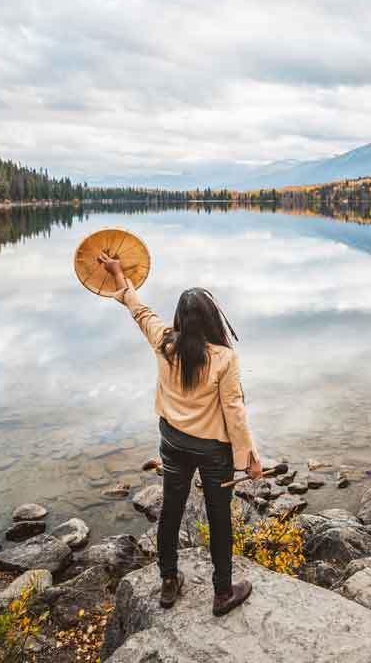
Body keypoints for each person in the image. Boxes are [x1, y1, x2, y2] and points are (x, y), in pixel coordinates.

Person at [99, 251, 262, 616]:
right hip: (212, 451)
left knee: (171, 511)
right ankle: (222, 594)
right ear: (211, 320)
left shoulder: (164, 341)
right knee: (219, 518)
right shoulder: (223, 358)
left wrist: (118, 275)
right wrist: (249, 460)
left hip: (172, 442)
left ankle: (169, 582)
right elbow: (233, 410)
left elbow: (139, 311)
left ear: (180, 319)